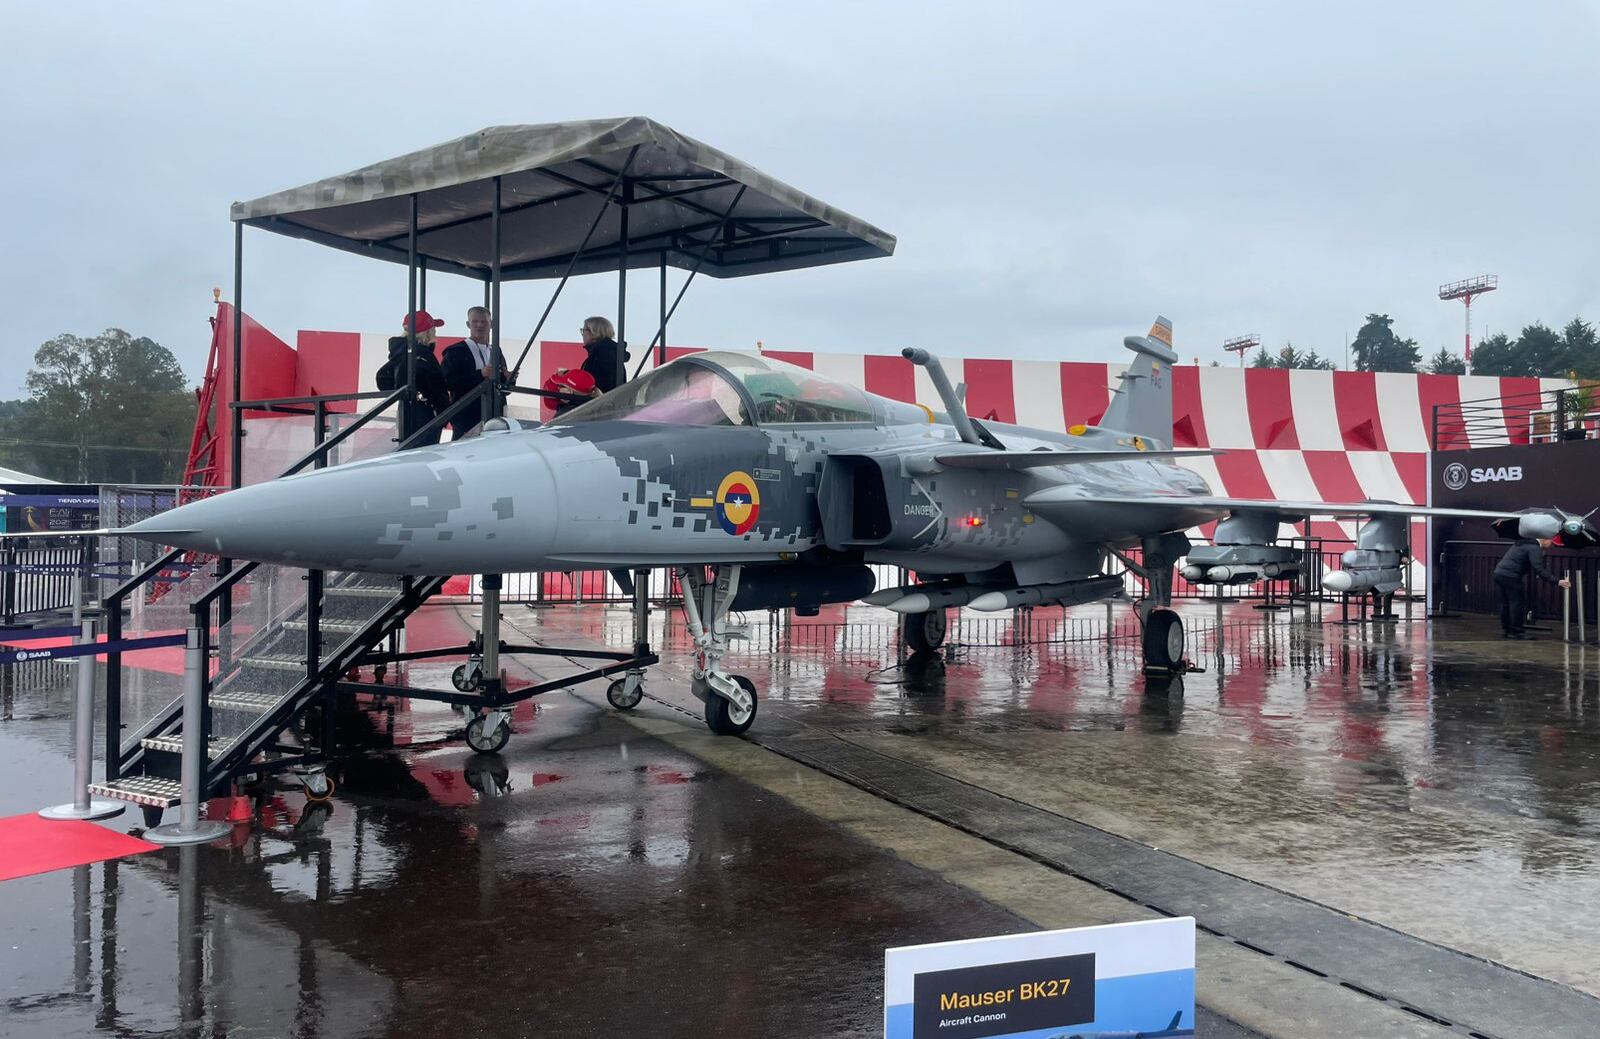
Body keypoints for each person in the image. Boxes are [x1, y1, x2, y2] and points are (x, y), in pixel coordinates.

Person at [377, 312, 450, 447]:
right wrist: (430, 402)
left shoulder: (403, 351)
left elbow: (382, 377)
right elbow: (433, 385)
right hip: (424, 418)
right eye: (433, 329)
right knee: (422, 458)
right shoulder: (419, 354)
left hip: (411, 414)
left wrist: (404, 394)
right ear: (427, 332)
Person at [441, 306, 506, 439]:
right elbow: (448, 382)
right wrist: (480, 374)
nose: (479, 325)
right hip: (466, 418)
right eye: (475, 322)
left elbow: (503, 386)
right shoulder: (455, 351)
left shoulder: (496, 350)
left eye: (484, 322)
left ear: (491, 324)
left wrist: (508, 378)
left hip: (494, 417)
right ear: (468, 324)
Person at [1493, 535, 1570, 639]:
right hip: (1511, 576)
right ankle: (1517, 632)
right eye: (1552, 544)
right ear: (1545, 540)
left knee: (1506, 603)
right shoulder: (1534, 548)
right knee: (1517, 604)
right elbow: (1539, 569)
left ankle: (1507, 630)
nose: (1552, 547)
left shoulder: (1524, 542)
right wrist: (1557, 581)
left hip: (1499, 573)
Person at [577, 316, 628, 394]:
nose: (582, 334)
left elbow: (600, 384)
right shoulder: (607, 352)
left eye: (583, 330)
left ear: (593, 332)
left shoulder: (603, 354)